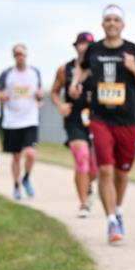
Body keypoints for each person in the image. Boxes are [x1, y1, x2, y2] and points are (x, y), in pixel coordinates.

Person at [70, 5, 135, 244]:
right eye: (108, 20)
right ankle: (111, 222)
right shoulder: (94, 50)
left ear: (122, 25)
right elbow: (82, 69)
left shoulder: (132, 50)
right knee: (105, 169)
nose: (112, 23)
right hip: (100, 118)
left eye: (116, 20)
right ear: (102, 24)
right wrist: (75, 84)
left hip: (127, 121)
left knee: (121, 172)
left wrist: (132, 66)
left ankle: (117, 209)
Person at [51, 31, 99, 218]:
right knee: (82, 158)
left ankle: (88, 185)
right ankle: (83, 204)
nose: (85, 48)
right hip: (74, 119)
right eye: (81, 44)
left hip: (96, 118)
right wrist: (61, 105)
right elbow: (54, 92)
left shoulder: (99, 68)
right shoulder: (65, 69)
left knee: (95, 168)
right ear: (76, 46)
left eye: (88, 44)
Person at [0, 44, 43, 200]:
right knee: (16, 157)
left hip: (30, 119)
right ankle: (16, 186)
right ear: (14, 56)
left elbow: (39, 93)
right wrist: (1, 96)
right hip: (12, 120)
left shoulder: (34, 72)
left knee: (31, 153)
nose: (20, 56)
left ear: (26, 55)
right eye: (17, 54)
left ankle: (26, 178)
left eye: (22, 53)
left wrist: (40, 99)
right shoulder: (7, 74)